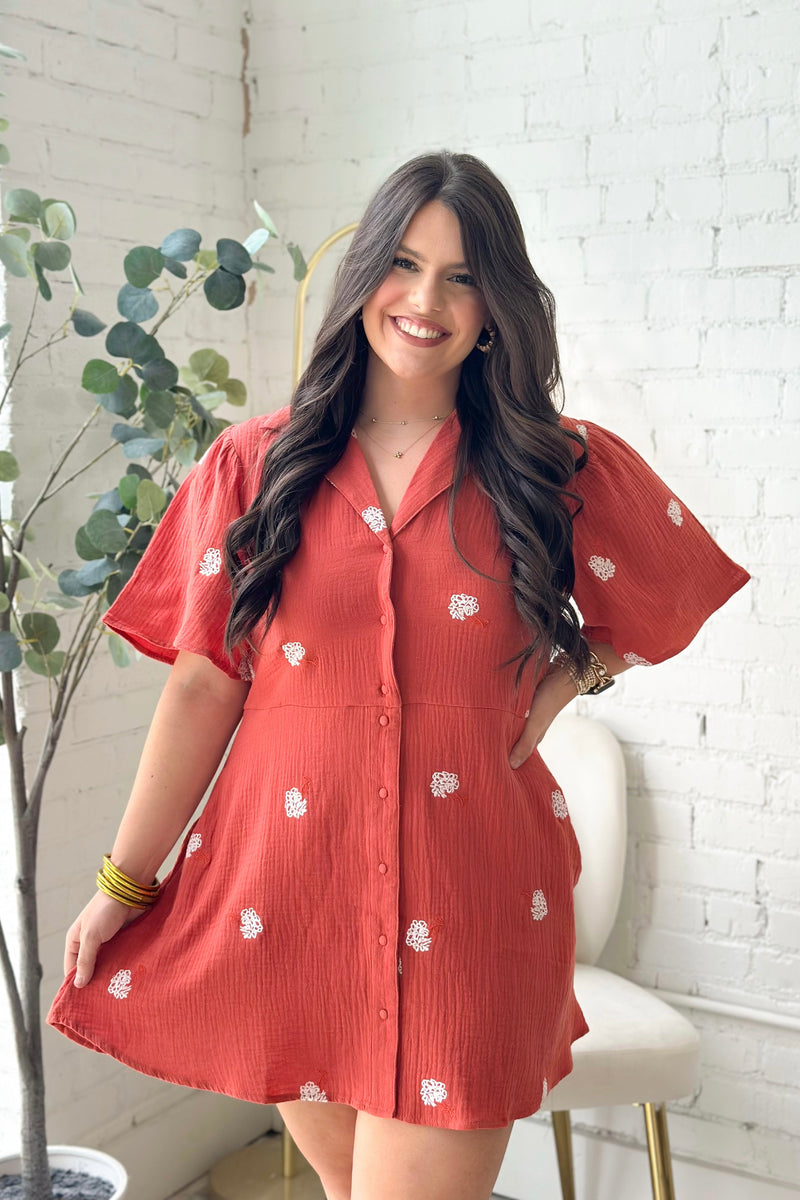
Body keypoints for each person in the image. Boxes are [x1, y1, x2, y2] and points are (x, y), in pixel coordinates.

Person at [47, 150, 750, 1200]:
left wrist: (569, 676)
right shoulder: (254, 466)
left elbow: (672, 590)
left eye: (462, 278)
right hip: (284, 899)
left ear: (495, 306)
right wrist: (123, 884)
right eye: (405, 265)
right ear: (365, 273)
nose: (426, 302)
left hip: (472, 903)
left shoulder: (550, 465)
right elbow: (202, 687)